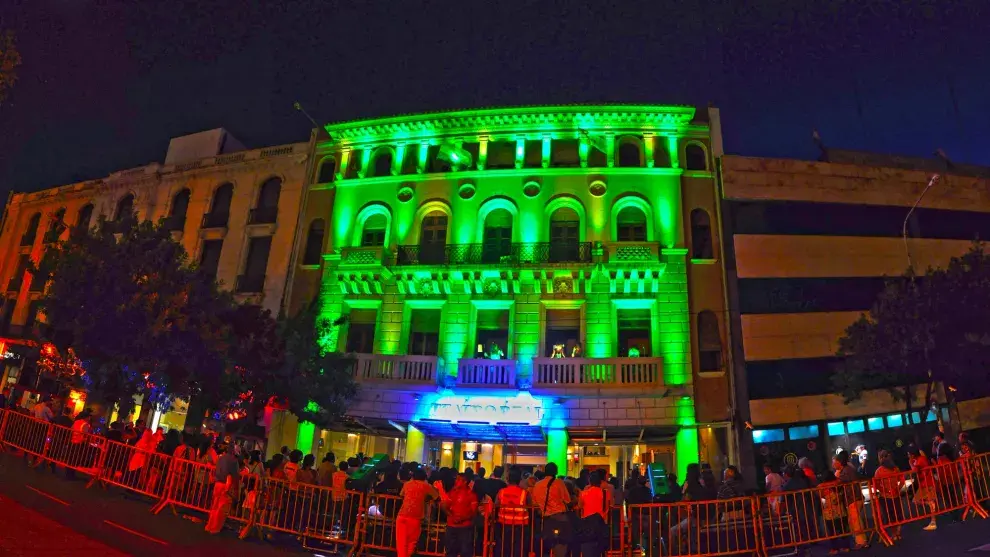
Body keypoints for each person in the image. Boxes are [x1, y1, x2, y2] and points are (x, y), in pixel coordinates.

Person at [396, 468, 439, 557]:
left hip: (402, 516)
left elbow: (401, 495)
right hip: (415, 518)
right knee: (411, 542)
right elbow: (437, 498)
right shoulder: (426, 486)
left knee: (401, 542)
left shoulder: (407, 484)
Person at [532, 462, 572, 557]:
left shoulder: (537, 485)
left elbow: (534, 502)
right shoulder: (559, 483)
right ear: (556, 472)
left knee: (547, 544)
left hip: (546, 518)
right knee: (561, 544)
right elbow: (567, 499)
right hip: (560, 517)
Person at [494, 466, 531, 557]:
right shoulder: (524, 493)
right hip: (520, 526)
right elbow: (531, 507)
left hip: (504, 525)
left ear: (508, 478)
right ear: (519, 479)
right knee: (518, 550)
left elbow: (495, 506)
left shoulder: (501, 492)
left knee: (505, 549)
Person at [834, 451, 867, 549]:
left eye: (835, 461)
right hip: (853, 498)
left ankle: (862, 541)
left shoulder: (846, 471)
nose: (833, 464)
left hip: (853, 498)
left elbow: (838, 483)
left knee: (855, 520)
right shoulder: (847, 469)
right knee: (853, 520)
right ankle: (860, 540)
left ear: (839, 462)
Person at [205, 444, 240, 534]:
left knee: (215, 506)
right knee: (221, 508)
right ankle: (215, 528)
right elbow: (235, 476)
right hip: (226, 485)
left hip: (218, 484)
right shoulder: (234, 461)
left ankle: (209, 525)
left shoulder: (220, 458)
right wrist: (236, 490)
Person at [443, 472, 479, 557]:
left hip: (465, 528)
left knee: (465, 551)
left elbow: (474, 512)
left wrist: (463, 518)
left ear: (465, 481)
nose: (456, 481)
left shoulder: (471, 495)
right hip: (451, 526)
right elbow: (444, 506)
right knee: (450, 552)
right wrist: (452, 516)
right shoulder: (452, 493)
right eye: (456, 479)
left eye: (458, 479)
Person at [577, 469, 612, 557]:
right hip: (601, 524)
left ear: (590, 482)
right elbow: (611, 504)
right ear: (600, 482)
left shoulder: (584, 493)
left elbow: (580, 505)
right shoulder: (606, 493)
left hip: (587, 526)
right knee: (601, 551)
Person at [873, 450, 903, 542]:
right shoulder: (895, 468)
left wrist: (884, 490)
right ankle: (898, 533)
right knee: (898, 514)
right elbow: (902, 480)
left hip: (885, 497)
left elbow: (876, 484)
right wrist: (897, 489)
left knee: (889, 516)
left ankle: (894, 534)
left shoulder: (879, 471)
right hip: (896, 495)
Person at [818, 472, 849, 555]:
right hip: (841, 510)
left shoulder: (821, 486)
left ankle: (834, 549)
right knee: (843, 529)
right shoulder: (839, 483)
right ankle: (845, 547)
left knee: (831, 531)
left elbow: (819, 495)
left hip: (829, 512)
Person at [909, 446, 938, 531]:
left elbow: (914, 470)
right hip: (924, 483)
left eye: (909, 454)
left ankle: (933, 522)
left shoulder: (921, 459)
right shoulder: (919, 459)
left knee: (924, 500)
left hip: (927, 483)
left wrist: (910, 463)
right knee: (917, 500)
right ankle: (932, 518)